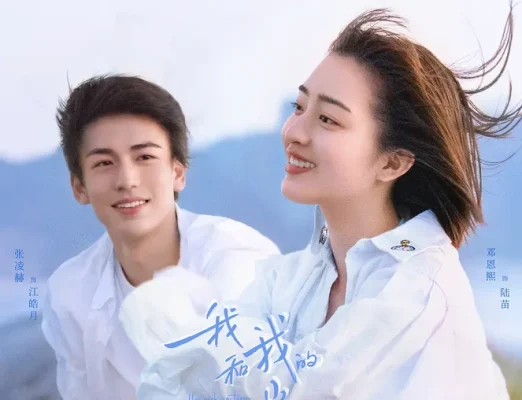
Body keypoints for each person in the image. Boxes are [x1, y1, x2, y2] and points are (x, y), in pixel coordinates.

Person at [119, 5, 520, 400]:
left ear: (392, 162)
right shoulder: (286, 278)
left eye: (328, 119)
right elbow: (171, 378)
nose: (294, 131)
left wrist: (208, 348)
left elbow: (296, 387)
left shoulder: (418, 289)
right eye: (299, 107)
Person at [40, 74, 280, 400]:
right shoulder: (70, 293)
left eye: (145, 157)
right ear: (79, 187)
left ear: (177, 172)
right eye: (104, 163)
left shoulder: (237, 259)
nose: (127, 180)